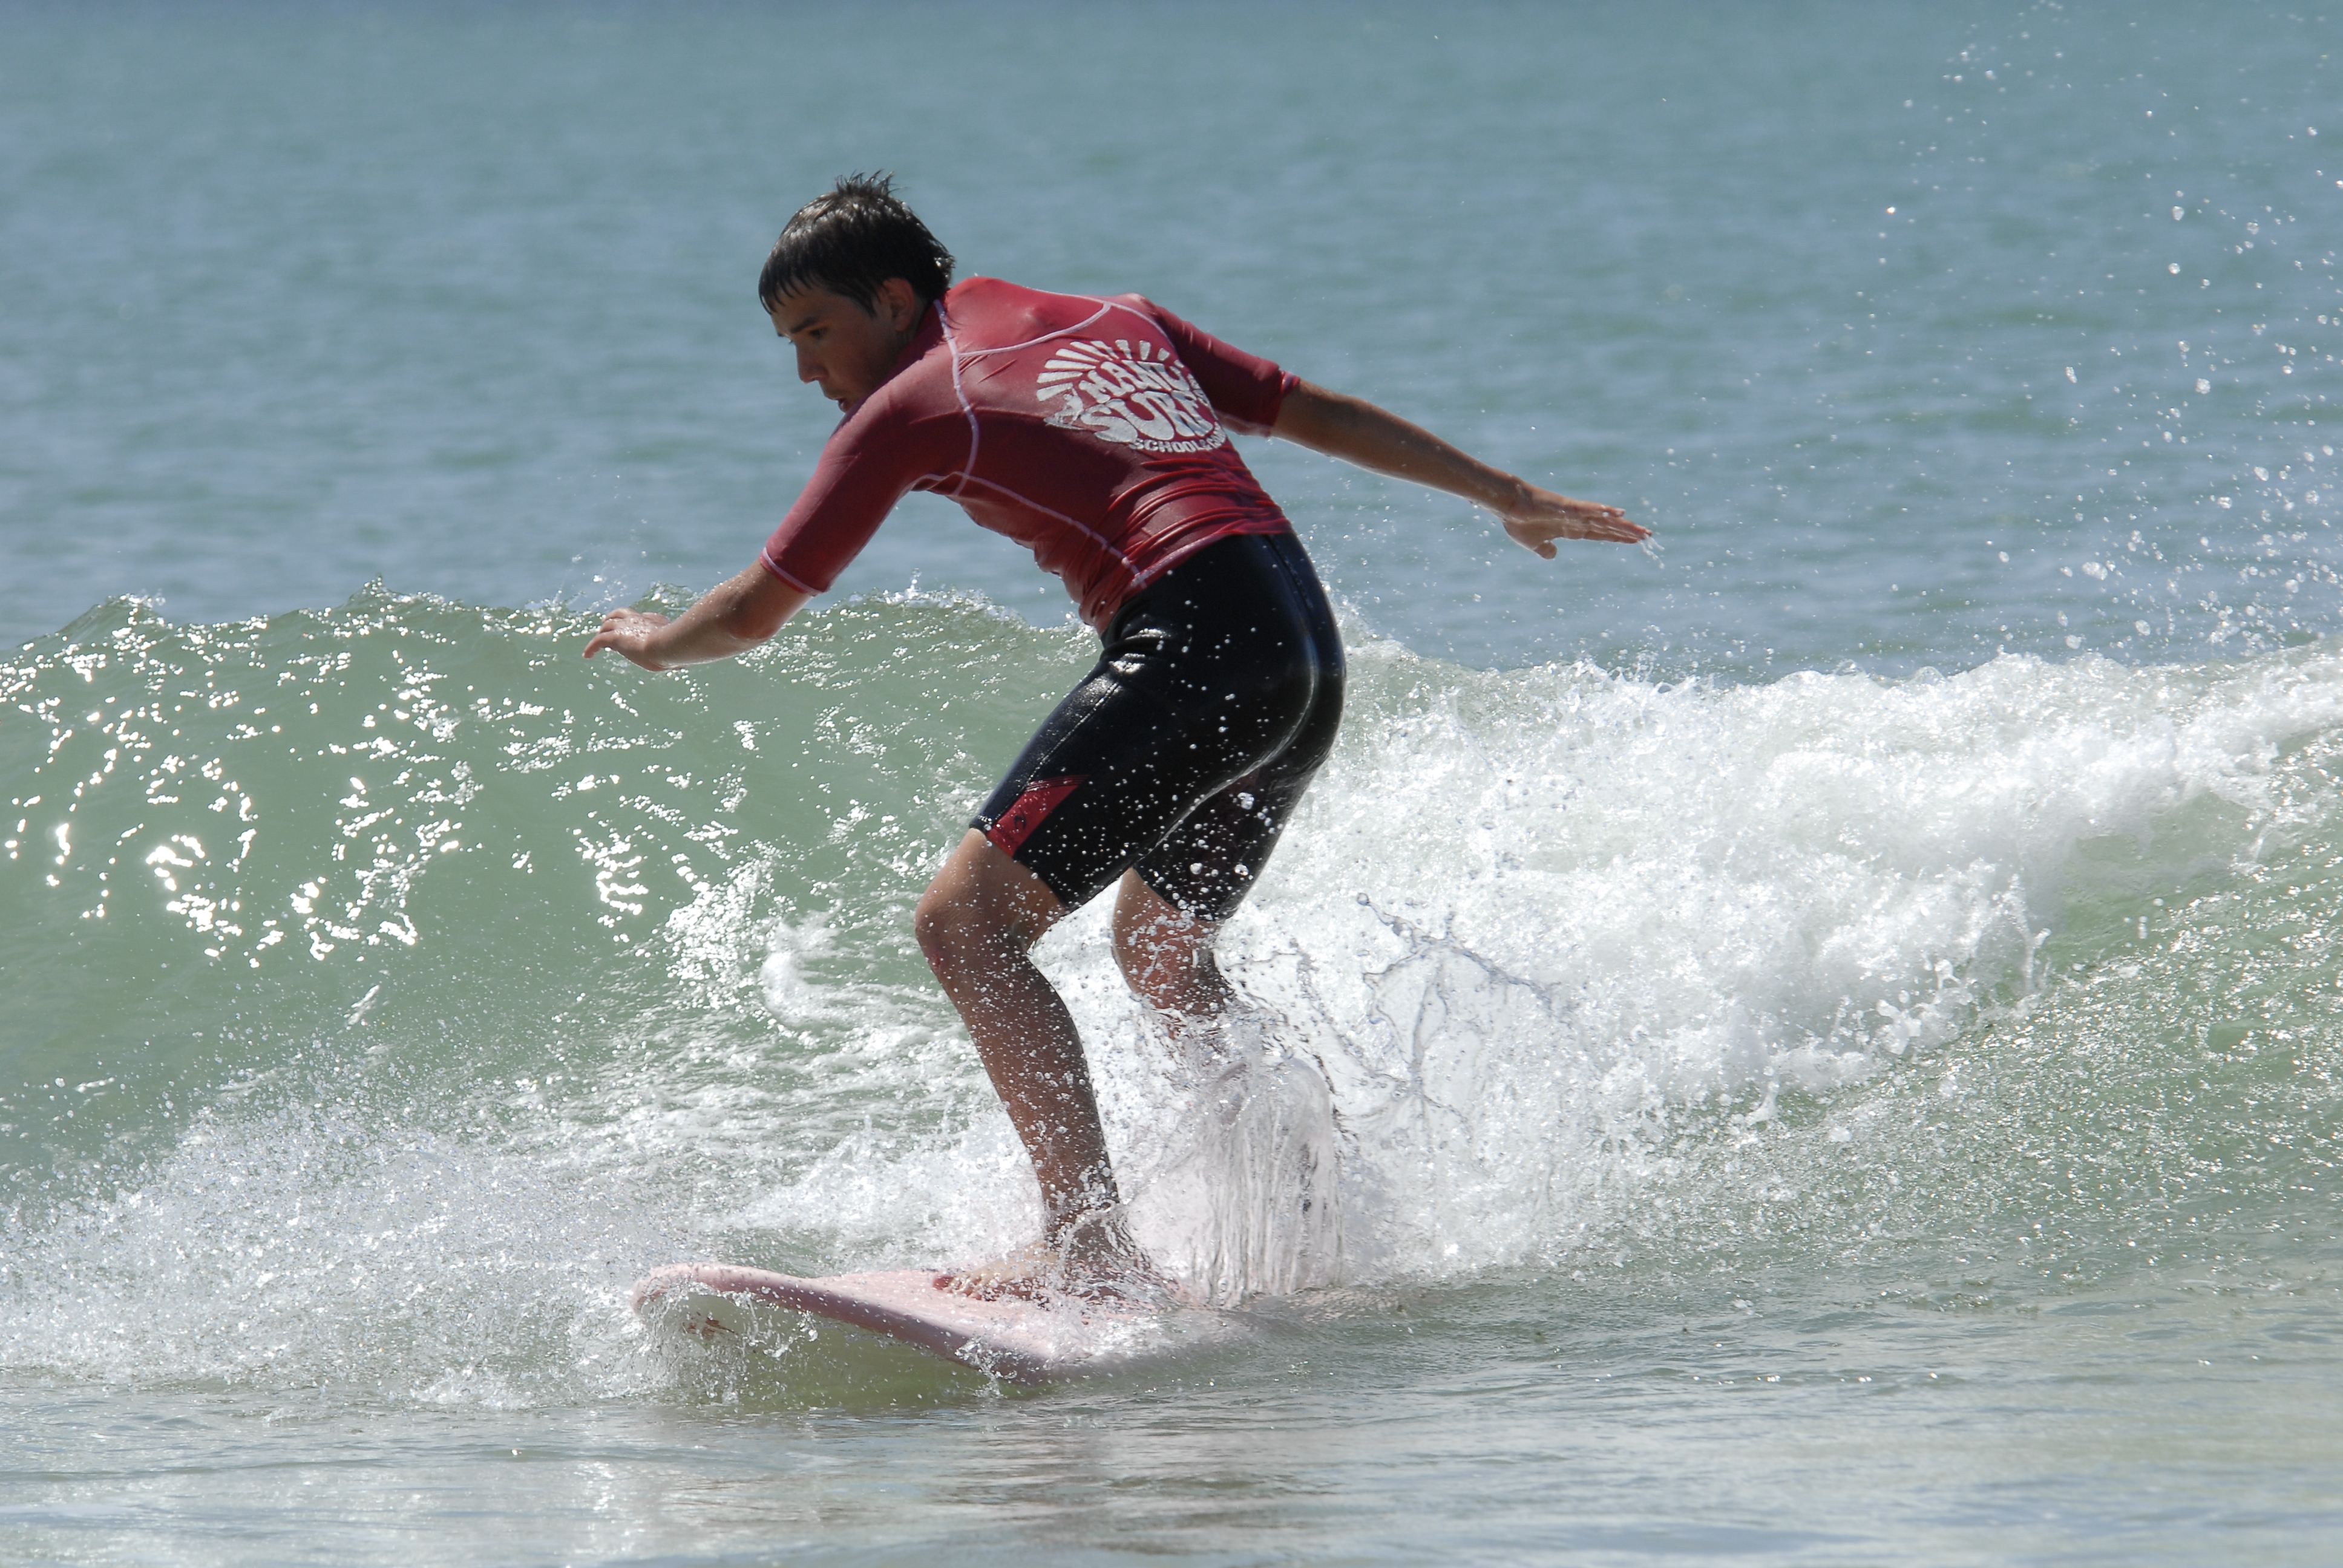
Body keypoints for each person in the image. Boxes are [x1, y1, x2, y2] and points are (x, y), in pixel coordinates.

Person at [585, 174, 1648, 1297]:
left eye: (816, 332)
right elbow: (1311, 411)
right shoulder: (1121, 318)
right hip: (1301, 648)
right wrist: (1504, 491)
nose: (806, 371)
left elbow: (758, 608)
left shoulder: (912, 405)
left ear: (894, 300)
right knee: (1160, 951)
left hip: (1195, 639)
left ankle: (1085, 1247)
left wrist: (659, 643)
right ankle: (1308, 1223)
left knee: (964, 928)